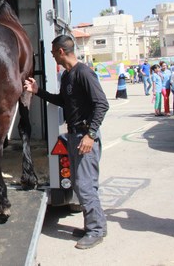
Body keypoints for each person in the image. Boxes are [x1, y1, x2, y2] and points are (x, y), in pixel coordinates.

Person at [24, 35, 109, 250]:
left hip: (84, 138)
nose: (52, 56)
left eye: (53, 52)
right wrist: (38, 91)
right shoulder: (68, 76)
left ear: (61, 51)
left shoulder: (84, 73)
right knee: (82, 184)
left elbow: (102, 104)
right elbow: (62, 101)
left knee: (85, 185)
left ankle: (96, 231)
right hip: (74, 136)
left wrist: (90, 135)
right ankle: (96, 225)